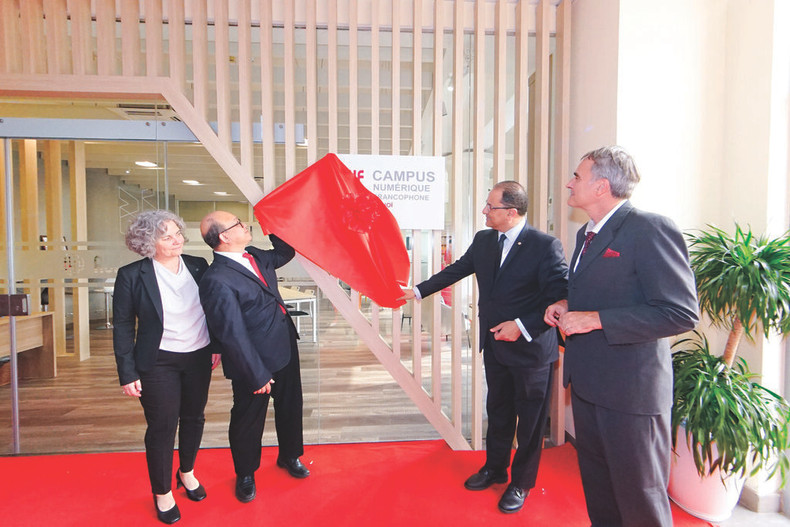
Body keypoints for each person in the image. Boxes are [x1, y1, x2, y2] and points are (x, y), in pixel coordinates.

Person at [544, 146, 699, 527]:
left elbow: (680, 312)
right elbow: (603, 291)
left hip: (631, 395)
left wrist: (595, 319)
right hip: (589, 387)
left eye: (577, 177)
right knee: (601, 492)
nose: (569, 183)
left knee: (640, 499)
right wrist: (566, 303)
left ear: (601, 187)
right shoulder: (585, 234)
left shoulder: (649, 228)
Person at [400, 181, 568, 514]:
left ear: (511, 212)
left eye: (490, 207)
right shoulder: (484, 240)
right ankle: (494, 468)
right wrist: (417, 291)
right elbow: (458, 270)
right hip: (495, 345)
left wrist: (521, 327)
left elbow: (559, 299)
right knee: (500, 410)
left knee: (531, 421)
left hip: (532, 351)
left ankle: (520, 483)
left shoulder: (545, 246)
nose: (484, 212)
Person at [113, 210, 220, 524]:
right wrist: (127, 371)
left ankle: (185, 471)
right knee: (162, 427)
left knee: (194, 417)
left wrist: (215, 345)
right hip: (157, 361)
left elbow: (212, 308)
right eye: (166, 236)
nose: (177, 241)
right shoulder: (131, 275)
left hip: (198, 355)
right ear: (148, 242)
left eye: (178, 233)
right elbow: (122, 325)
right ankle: (162, 492)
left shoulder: (198, 266)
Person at [198, 211, 309, 504]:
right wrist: (256, 373)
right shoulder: (216, 279)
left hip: (284, 345)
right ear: (223, 236)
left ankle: (290, 456)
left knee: (290, 404)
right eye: (237, 223)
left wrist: (271, 222)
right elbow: (231, 333)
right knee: (248, 418)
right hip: (252, 360)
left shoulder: (255, 255)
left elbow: (285, 251)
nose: (244, 225)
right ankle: (245, 474)